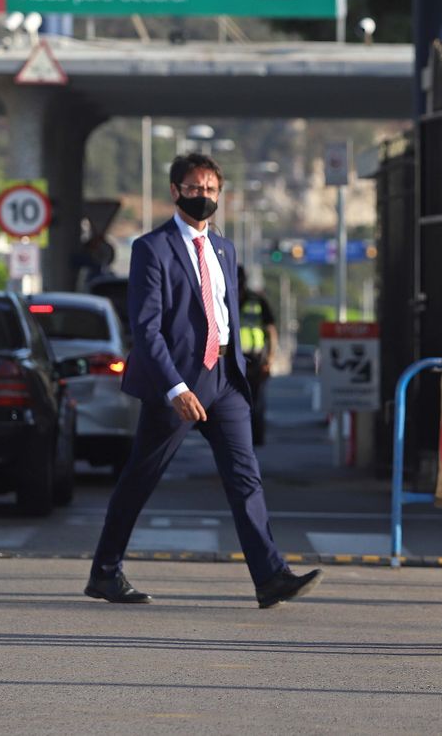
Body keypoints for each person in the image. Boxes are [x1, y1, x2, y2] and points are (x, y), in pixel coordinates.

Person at [85, 153, 322, 608]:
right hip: (176, 384)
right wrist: (175, 388)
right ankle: (105, 571)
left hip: (225, 378)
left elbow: (225, 314)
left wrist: (242, 368)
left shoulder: (225, 249)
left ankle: (270, 576)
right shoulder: (151, 248)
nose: (204, 197)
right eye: (195, 189)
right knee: (142, 476)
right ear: (175, 192)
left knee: (245, 476)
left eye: (211, 190)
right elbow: (146, 328)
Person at [237, 265, 278, 446]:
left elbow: (271, 331)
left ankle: (255, 438)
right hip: (230, 360)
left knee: (255, 402)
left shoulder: (257, 301)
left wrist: (269, 359)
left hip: (254, 359)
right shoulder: (220, 298)